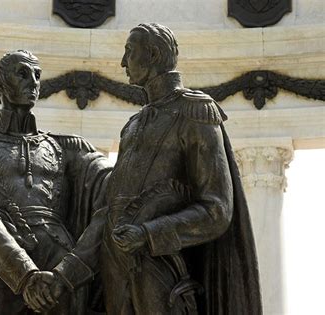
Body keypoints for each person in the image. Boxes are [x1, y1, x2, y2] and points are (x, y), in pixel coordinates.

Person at [45, 23, 263, 314]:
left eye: (129, 52)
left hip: (163, 278)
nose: (122, 63)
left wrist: (148, 234)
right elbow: (109, 214)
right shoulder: (132, 127)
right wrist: (63, 275)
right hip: (116, 276)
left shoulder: (195, 114)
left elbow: (217, 210)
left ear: (153, 54)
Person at [0, 50, 112, 315]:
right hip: (4, 262)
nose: (33, 82)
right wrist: (24, 275)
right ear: (0, 85)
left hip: (61, 261)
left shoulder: (69, 147)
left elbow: (110, 184)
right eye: (23, 74)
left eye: (37, 75)